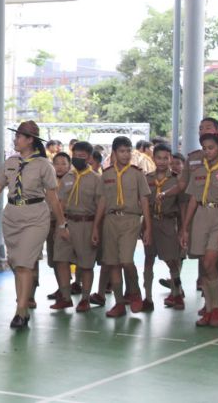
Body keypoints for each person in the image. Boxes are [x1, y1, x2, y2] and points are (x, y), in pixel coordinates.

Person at [0, 121, 68, 329]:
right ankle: (23, 308)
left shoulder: (44, 165)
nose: (15, 140)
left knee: (25, 263)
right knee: (17, 264)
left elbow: (53, 198)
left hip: (35, 217)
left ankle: (19, 310)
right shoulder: (10, 162)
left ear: (30, 140)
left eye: (19, 137)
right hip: (12, 216)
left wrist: (62, 224)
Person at [92, 136, 152, 317]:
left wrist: (147, 227)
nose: (126, 155)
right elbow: (102, 200)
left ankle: (134, 291)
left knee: (126, 260)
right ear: (114, 153)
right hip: (110, 220)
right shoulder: (107, 174)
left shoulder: (137, 173)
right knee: (113, 263)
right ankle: (119, 303)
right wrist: (96, 226)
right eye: (122, 151)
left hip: (131, 219)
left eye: (128, 151)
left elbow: (144, 201)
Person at [176, 118, 218, 307]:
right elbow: (192, 199)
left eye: (211, 148)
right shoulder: (198, 169)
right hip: (200, 217)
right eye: (205, 148)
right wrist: (184, 228)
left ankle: (215, 306)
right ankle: (210, 308)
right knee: (204, 265)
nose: (207, 151)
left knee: (210, 262)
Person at [51, 141, 102, 312]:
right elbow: (60, 202)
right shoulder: (67, 177)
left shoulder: (96, 179)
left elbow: (100, 206)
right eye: (75, 156)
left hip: (86, 224)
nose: (78, 159)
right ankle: (65, 297)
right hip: (67, 223)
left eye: (82, 156)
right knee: (61, 260)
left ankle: (85, 298)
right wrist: (61, 224)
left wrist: (96, 229)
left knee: (86, 264)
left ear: (89, 158)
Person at [142, 144, 183, 311]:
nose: (162, 161)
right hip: (150, 222)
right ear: (153, 158)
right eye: (159, 158)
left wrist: (181, 229)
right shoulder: (146, 178)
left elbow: (182, 206)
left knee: (172, 261)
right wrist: (144, 226)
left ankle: (177, 293)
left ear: (170, 159)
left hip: (168, 223)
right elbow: (143, 203)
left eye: (166, 158)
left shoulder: (176, 179)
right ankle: (148, 298)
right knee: (148, 260)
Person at [45, 152, 71, 302]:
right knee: (55, 259)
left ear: (69, 165)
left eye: (64, 163)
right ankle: (61, 288)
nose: (60, 167)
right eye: (57, 163)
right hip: (50, 224)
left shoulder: (73, 180)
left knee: (65, 259)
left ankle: (69, 288)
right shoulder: (48, 182)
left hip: (66, 224)